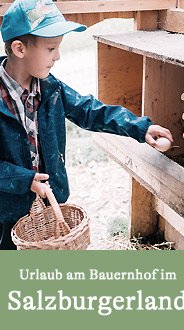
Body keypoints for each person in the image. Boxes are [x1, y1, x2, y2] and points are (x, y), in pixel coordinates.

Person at [0, 0, 173, 250]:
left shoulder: (51, 89)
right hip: (6, 212)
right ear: (19, 48)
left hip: (50, 206)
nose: (57, 56)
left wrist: (140, 128)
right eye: (51, 48)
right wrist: (24, 179)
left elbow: (90, 111)